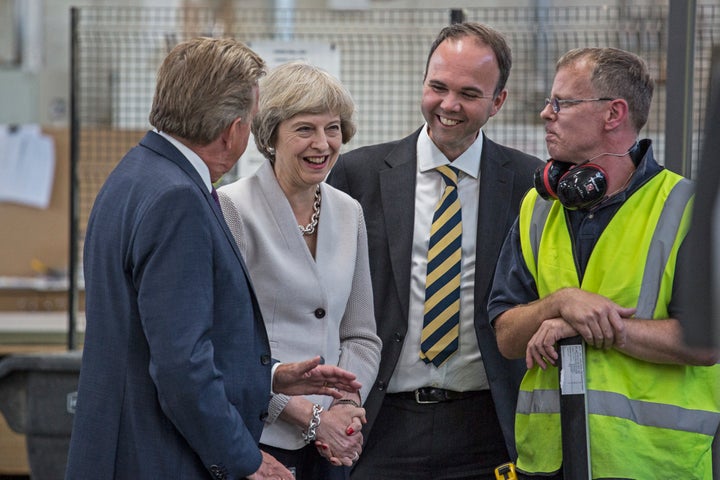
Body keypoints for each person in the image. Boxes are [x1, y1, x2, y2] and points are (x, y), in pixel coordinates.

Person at [65, 37, 364, 480]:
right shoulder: (179, 200)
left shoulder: (134, 174)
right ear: (233, 131)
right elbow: (183, 367)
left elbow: (158, 340)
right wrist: (245, 457)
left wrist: (269, 378)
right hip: (157, 455)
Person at [488, 47, 720, 479]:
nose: (545, 114)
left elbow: (704, 343)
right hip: (549, 463)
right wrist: (560, 302)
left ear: (614, 114)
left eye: (561, 103)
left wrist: (578, 325)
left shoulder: (686, 209)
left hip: (652, 465)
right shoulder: (538, 209)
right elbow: (506, 336)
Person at [326, 22, 542, 479]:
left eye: (468, 92)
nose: (448, 105)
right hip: (379, 423)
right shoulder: (356, 177)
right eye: (437, 87)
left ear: (497, 101)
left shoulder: (530, 186)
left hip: (488, 429)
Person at [217, 60, 382, 480]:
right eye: (305, 129)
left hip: (334, 443)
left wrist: (344, 409)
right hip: (258, 438)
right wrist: (307, 417)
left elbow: (361, 335)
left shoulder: (350, 212)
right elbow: (224, 347)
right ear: (270, 135)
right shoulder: (232, 208)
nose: (323, 144)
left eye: (333, 128)